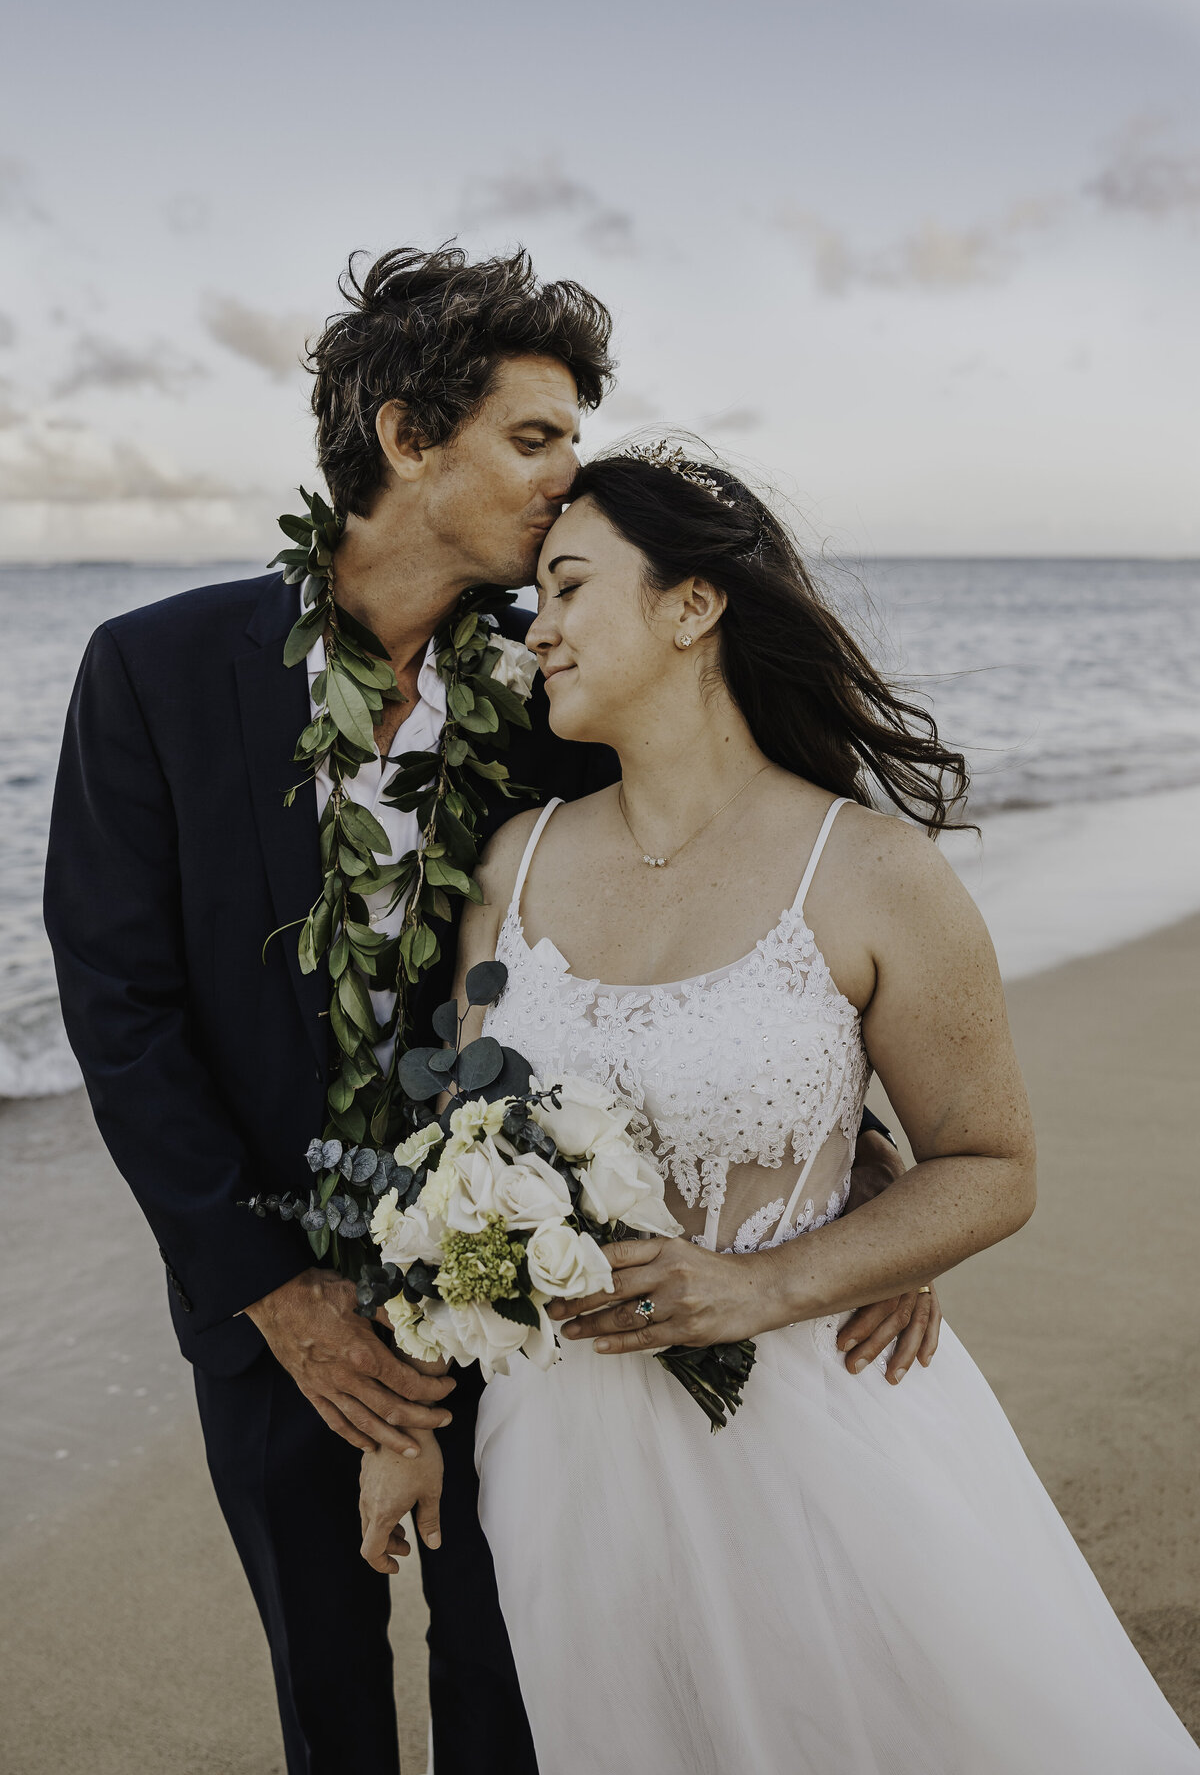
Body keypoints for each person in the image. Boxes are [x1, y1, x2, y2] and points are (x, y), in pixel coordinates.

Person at [42, 247, 934, 1775]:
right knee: (326, 1690)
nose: (568, 479)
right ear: (405, 436)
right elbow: (120, 1009)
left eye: (575, 440)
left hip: (526, 1284)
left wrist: (858, 1161)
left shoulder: (554, 694)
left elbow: (678, 914)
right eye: (536, 439)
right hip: (273, 1307)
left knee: (519, 1683)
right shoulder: (155, 671)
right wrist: (272, 1290)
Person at [360, 446, 1200, 1773]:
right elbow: (464, 1161)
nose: (542, 629)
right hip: (566, 1466)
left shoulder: (870, 872)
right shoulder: (512, 863)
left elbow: (990, 1163)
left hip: (816, 1432)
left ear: (693, 608)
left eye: (571, 588)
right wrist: (407, 1419)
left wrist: (776, 1284)